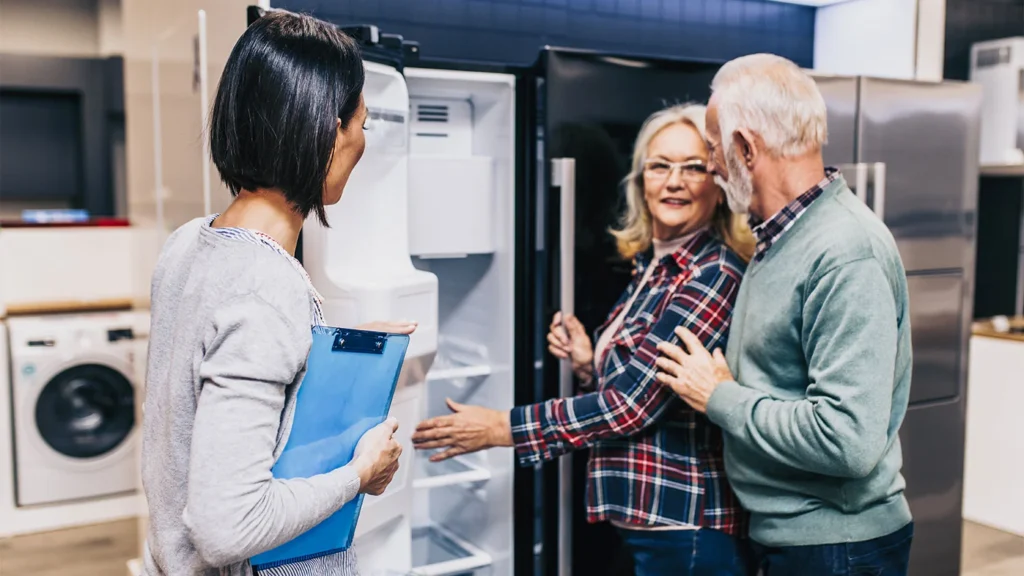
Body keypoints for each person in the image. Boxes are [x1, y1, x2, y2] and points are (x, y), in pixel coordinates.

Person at [412, 104, 756, 575]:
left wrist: (499, 428)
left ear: (718, 185)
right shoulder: (656, 268)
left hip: (686, 521)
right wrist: (589, 363)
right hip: (650, 516)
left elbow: (631, 406)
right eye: (660, 166)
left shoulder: (711, 274)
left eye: (694, 167)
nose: (674, 181)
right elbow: (654, 383)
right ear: (640, 180)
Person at [141, 11, 413, 576]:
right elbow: (228, 527)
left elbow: (207, 391)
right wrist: (360, 473)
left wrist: (329, 344)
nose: (362, 141)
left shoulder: (190, 243)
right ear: (326, 130)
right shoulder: (267, 287)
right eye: (361, 123)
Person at [654, 54, 914, 576]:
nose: (710, 166)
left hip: (835, 546)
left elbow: (847, 441)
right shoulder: (778, 239)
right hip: (792, 537)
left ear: (746, 148)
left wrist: (720, 396)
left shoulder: (846, 251)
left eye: (711, 148)